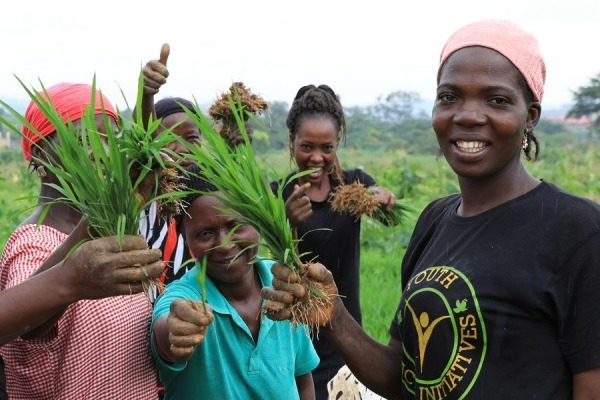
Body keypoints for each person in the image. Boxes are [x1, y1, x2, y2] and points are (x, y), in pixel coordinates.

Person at [263, 20, 600, 399]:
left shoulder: (576, 230)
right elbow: (404, 376)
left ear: (531, 115)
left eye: (497, 100)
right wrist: (335, 317)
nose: (468, 115)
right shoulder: (434, 221)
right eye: (450, 97)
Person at [0, 82, 163, 399]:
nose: (100, 152)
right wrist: (73, 275)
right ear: (40, 156)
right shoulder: (32, 244)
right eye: (83, 140)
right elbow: (31, 323)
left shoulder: (108, 233)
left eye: (110, 141)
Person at [269, 83, 396, 399]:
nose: (316, 158)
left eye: (327, 148)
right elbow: (279, 266)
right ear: (292, 143)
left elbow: (387, 214)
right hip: (295, 335)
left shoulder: (353, 186)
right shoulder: (278, 194)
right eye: (306, 147)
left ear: (337, 144)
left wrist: (383, 199)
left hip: (346, 331)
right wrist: (288, 222)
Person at [150, 165, 319, 399]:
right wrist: (175, 330)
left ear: (256, 218)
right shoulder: (183, 297)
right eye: (205, 233)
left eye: (236, 226)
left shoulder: (284, 282)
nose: (225, 244)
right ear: (185, 237)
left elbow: (303, 381)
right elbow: (166, 334)